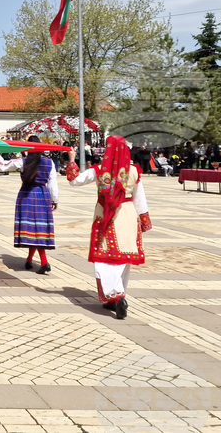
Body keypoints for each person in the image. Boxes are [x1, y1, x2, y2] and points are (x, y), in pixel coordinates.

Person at [68, 135, 152, 320]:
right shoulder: (134, 171)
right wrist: (144, 219)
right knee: (123, 258)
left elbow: (74, 180)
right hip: (128, 214)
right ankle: (116, 297)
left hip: (106, 216)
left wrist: (72, 160)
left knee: (104, 258)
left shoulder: (99, 170)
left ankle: (116, 296)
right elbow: (140, 199)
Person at [0, 135, 58, 274]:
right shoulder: (49, 163)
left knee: (32, 228)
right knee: (39, 229)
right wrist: (54, 199)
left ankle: (40, 261)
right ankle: (32, 260)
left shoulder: (23, 162)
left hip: (26, 194)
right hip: (42, 195)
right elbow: (52, 183)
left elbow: (3, 167)